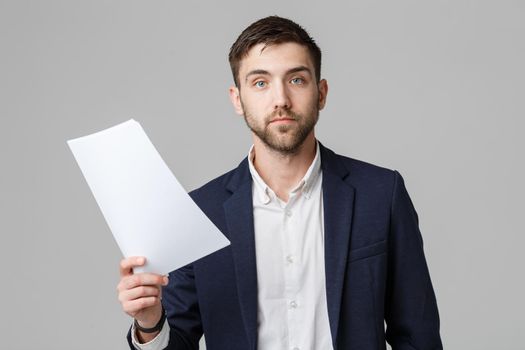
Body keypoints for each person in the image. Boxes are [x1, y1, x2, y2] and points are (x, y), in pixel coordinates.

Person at [117, 15, 443, 350]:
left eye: (297, 80)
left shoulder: (380, 194)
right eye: (260, 83)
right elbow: (179, 341)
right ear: (237, 99)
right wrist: (149, 323)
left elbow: (418, 337)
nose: (281, 99)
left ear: (321, 92)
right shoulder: (200, 211)